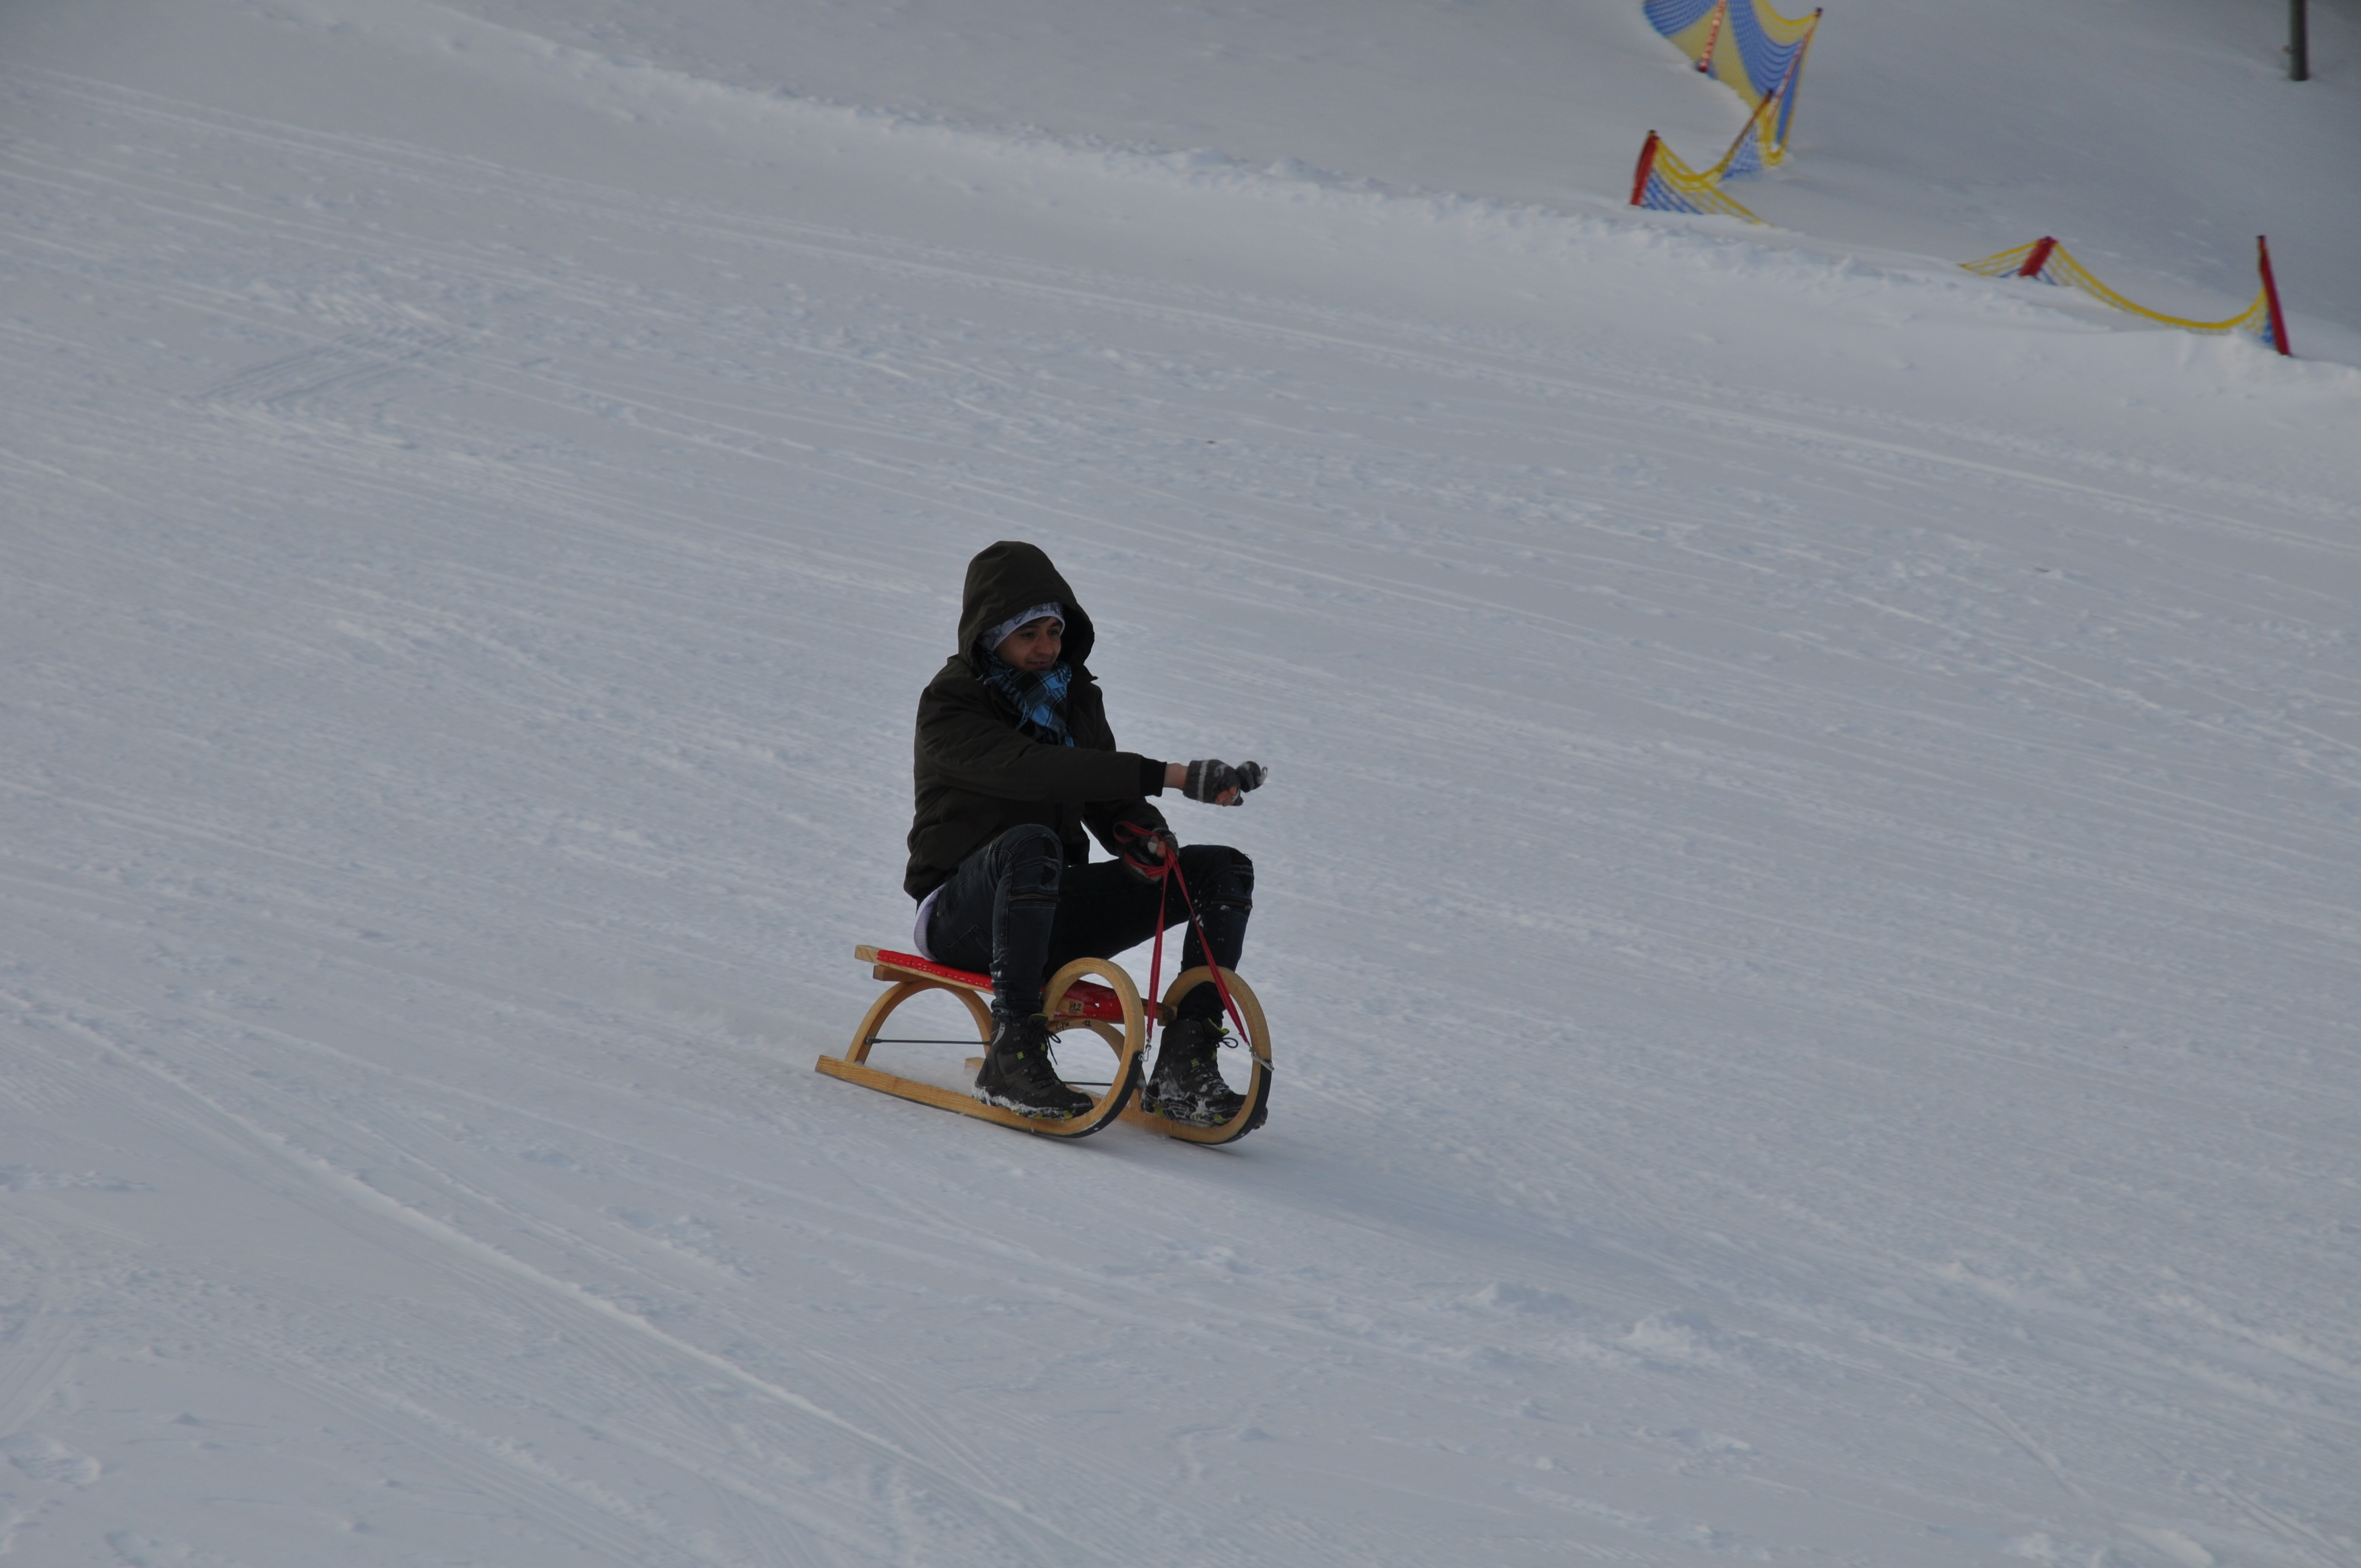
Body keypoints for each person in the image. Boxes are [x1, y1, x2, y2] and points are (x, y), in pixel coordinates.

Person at [906, 540, 1266, 1122]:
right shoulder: (951, 705)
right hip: (963, 918)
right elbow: (1036, 770)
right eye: (1028, 634)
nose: (1046, 647)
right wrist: (1171, 775)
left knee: (1220, 869)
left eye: (1054, 630)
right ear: (990, 636)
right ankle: (1011, 1054)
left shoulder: (1073, 697)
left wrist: (1142, 834)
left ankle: (1186, 1063)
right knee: (1030, 842)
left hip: (1047, 906)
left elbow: (1107, 797)